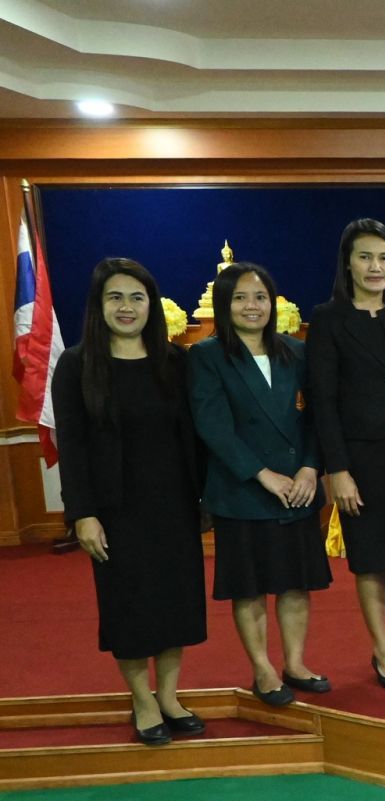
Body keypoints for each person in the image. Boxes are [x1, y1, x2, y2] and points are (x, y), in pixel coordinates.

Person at [52, 258, 207, 745]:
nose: (127, 307)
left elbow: (195, 437)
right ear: (98, 305)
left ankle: (170, 696)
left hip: (174, 504)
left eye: (137, 297)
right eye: (115, 297)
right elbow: (72, 446)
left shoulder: (174, 361)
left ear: (151, 305)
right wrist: (82, 513)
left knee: (177, 604)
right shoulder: (76, 365)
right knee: (130, 609)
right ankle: (143, 701)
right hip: (116, 511)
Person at [189, 262, 332, 706]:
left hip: (298, 488)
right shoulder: (207, 356)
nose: (252, 306)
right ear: (224, 304)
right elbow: (213, 427)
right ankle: (263, 669)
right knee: (249, 587)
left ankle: (295, 663)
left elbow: (318, 417)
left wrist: (310, 468)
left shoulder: (297, 350)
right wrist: (263, 474)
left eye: (260, 297)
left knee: (295, 584)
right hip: (242, 490)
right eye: (240, 298)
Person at [306, 218, 385, 690]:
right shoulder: (329, 320)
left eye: (384, 257)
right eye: (365, 257)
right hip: (360, 459)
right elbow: (322, 401)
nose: (376, 267)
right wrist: (337, 469)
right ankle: (381, 649)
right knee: (371, 558)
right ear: (348, 263)